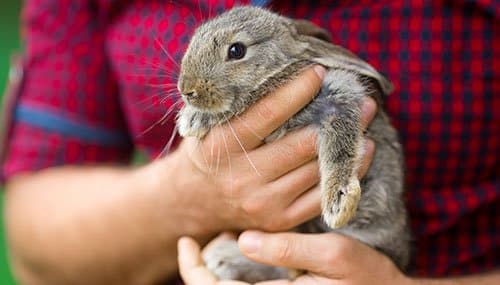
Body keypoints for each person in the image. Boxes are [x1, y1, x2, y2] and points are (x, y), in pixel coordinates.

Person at [1, 0, 498, 284]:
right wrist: (185, 198)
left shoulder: (310, 63)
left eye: (234, 54)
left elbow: (343, 107)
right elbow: (34, 250)